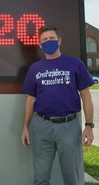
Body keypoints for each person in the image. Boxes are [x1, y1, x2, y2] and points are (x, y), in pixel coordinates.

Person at [21, 26, 94, 185]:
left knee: (72, 178)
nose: (49, 42)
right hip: (41, 127)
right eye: (45, 40)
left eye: (52, 39)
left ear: (59, 41)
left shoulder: (75, 64)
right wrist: (25, 126)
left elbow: (86, 95)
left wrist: (89, 125)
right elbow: (30, 99)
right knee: (40, 178)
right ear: (40, 45)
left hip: (68, 126)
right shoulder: (35, 69)